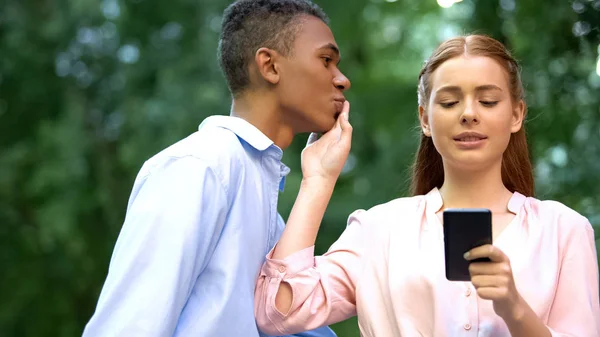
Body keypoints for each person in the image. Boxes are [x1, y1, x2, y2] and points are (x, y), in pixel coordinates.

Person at [254, 34, 600, 337]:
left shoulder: (563, 231)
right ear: (425, 119)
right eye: (449, 102)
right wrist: (318, 181)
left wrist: (514, 308)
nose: (468, 113)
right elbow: (279, 311)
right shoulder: (380, 230)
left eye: (488, 100)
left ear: (516, 115)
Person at [82, 0, 351, 336]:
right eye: (326, 60)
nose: (342, 80)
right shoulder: (199, 168)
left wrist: (320, 178)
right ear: (270, 66)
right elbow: (130, 326)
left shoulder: (263, 196)